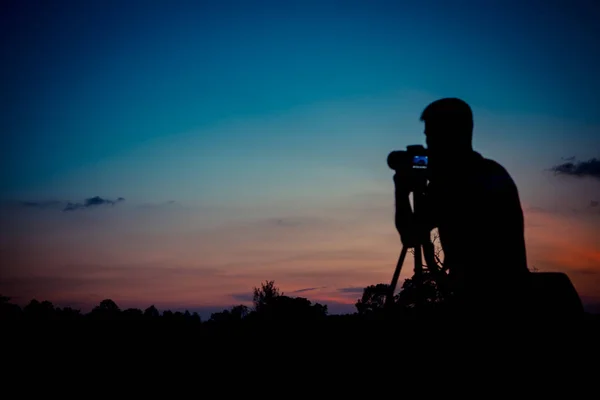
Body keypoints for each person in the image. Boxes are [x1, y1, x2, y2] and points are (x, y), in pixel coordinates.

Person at [393, 98, 531, 316]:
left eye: (431, 136)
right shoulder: (492, 172)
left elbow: (411, 236)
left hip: (486, 301)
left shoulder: (458, 181)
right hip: (507, 297)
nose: (428, 145)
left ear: (452, 134)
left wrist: (401, 191)